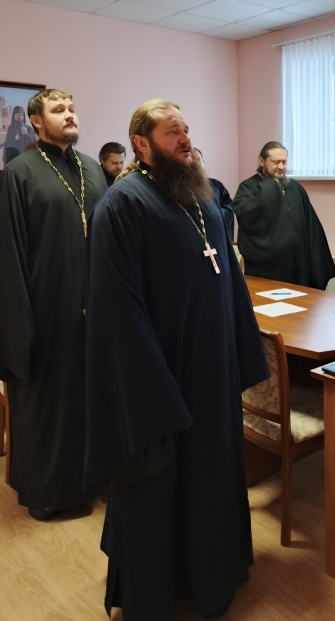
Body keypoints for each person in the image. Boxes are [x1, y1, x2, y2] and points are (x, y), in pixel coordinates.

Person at [84, 99, 268, 621]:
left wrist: (241, 355)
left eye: (186, 130)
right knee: (160, 485)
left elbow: (229, 281)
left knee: (212, 475)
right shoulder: (122, 205)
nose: (186, 140)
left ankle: (212, 576)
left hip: (213, 373)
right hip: (163, 381)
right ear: (142, 143)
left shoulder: (200, 196)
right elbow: (117, 309)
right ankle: (158, 592)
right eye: (172, 132)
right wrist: (152, 388)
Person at [0, 88, 107, 520]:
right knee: (48, 406)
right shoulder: (19, 172)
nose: (70, 115)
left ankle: (94, 481)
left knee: (89, 401)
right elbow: (9, 252)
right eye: (58, 109)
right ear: (37, 121)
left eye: (72, 108)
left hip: (95, 309)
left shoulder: (93, 169)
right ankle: (48, 494)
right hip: (45, 310)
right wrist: (19, 324)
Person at [233, 140, 335, 289]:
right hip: (268, 268)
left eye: (284, 162)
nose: (281, 167)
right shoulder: (249, 187)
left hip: (298, 264)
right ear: (261, 161)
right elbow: (245, 216)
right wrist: (271, 185)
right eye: (276, 162)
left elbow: (312, 227)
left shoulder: (295, 186)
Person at [194, 147, 234, 240]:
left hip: (218, 234)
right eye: (192, 161)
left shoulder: (216, 185)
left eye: (198, 160)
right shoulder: (182, 189)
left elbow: (229, 209)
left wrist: (214, 214)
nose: (196, 164)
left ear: (203, 162)